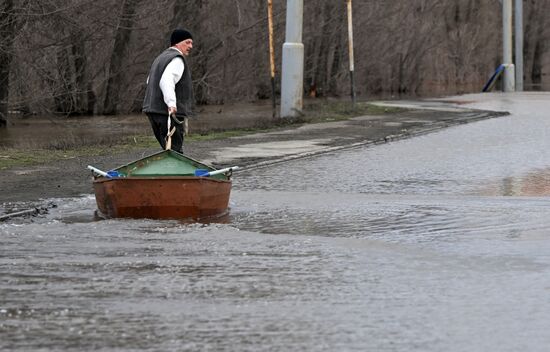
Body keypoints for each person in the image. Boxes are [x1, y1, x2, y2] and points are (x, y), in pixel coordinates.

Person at [142, 29, 195, 153]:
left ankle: (168, 171)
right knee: (175, 151)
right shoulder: (177, 59)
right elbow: (166, 80)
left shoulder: (160, 58)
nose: (190, 46)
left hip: (152, 111)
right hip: (166, 112)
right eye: (187, 42)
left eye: (191, 43)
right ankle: (176, 172)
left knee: (168, 149)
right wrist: (171, 103)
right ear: (177, 43)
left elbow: (150, 81)